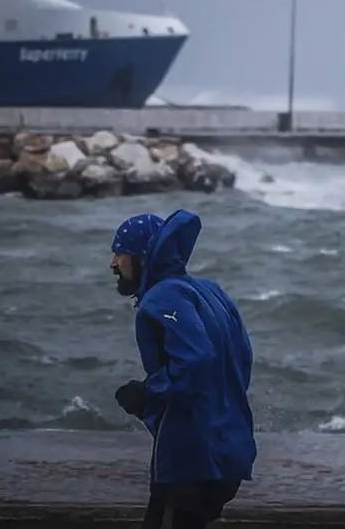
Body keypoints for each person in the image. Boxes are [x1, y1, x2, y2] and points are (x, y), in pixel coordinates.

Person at [109, 209, 257, 529]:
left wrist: (150, 392)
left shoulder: (162, 297)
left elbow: (197, 359)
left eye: (119, 253)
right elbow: (242, 359)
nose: (113, 263)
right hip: (230, 447)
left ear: (141, 257)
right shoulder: (210, 290)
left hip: (192, 458)